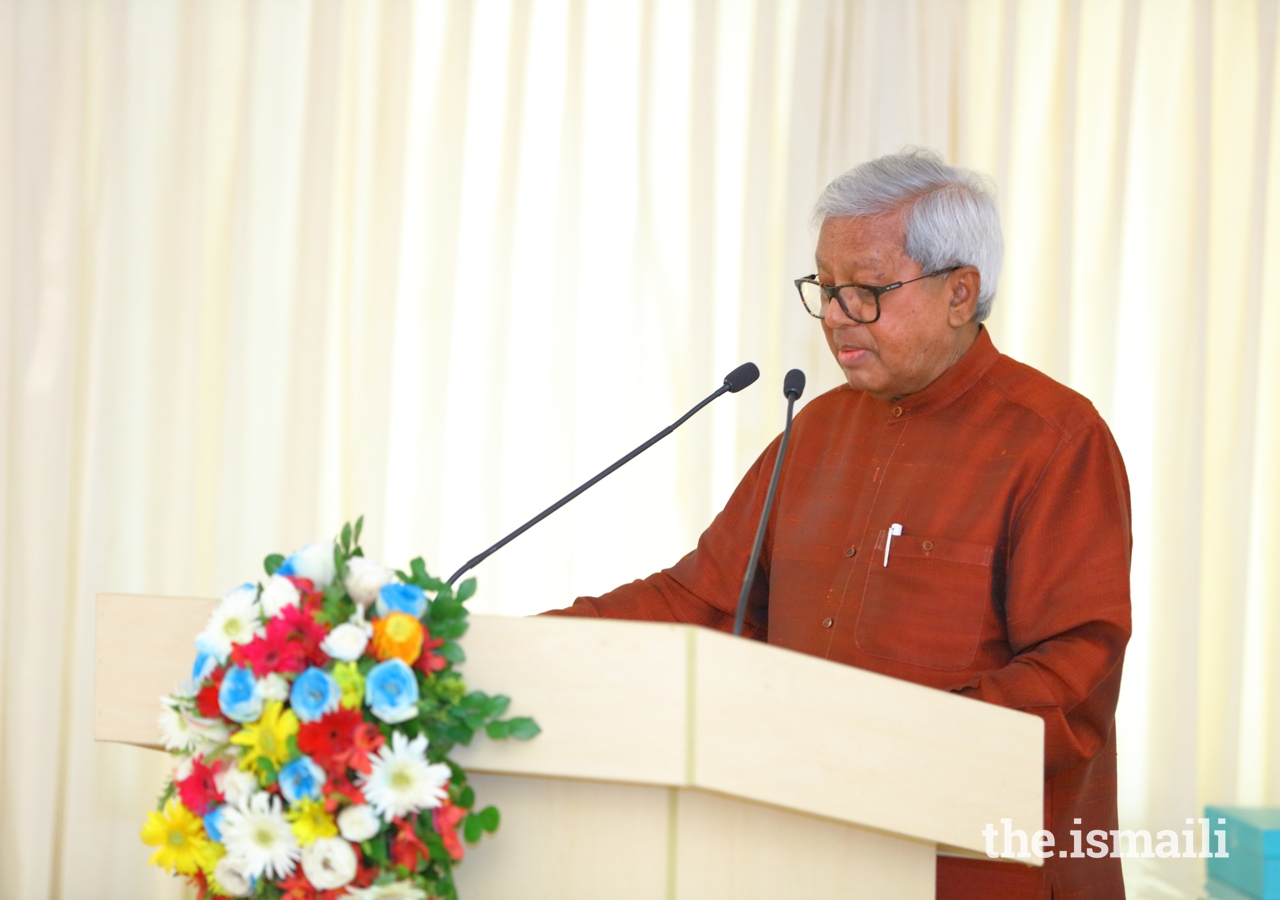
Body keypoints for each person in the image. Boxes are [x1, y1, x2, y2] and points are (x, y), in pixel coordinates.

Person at [544, 149, 1131, 900]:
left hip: (973, 865)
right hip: (803, 851)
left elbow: (1071, 679)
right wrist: (527, 641)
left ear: (961, 292)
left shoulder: (1056, 439)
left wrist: (880, 746)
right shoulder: (816, 429)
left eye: (866, 291)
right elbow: (704, 601)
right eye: (824, 289)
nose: (833, 316)